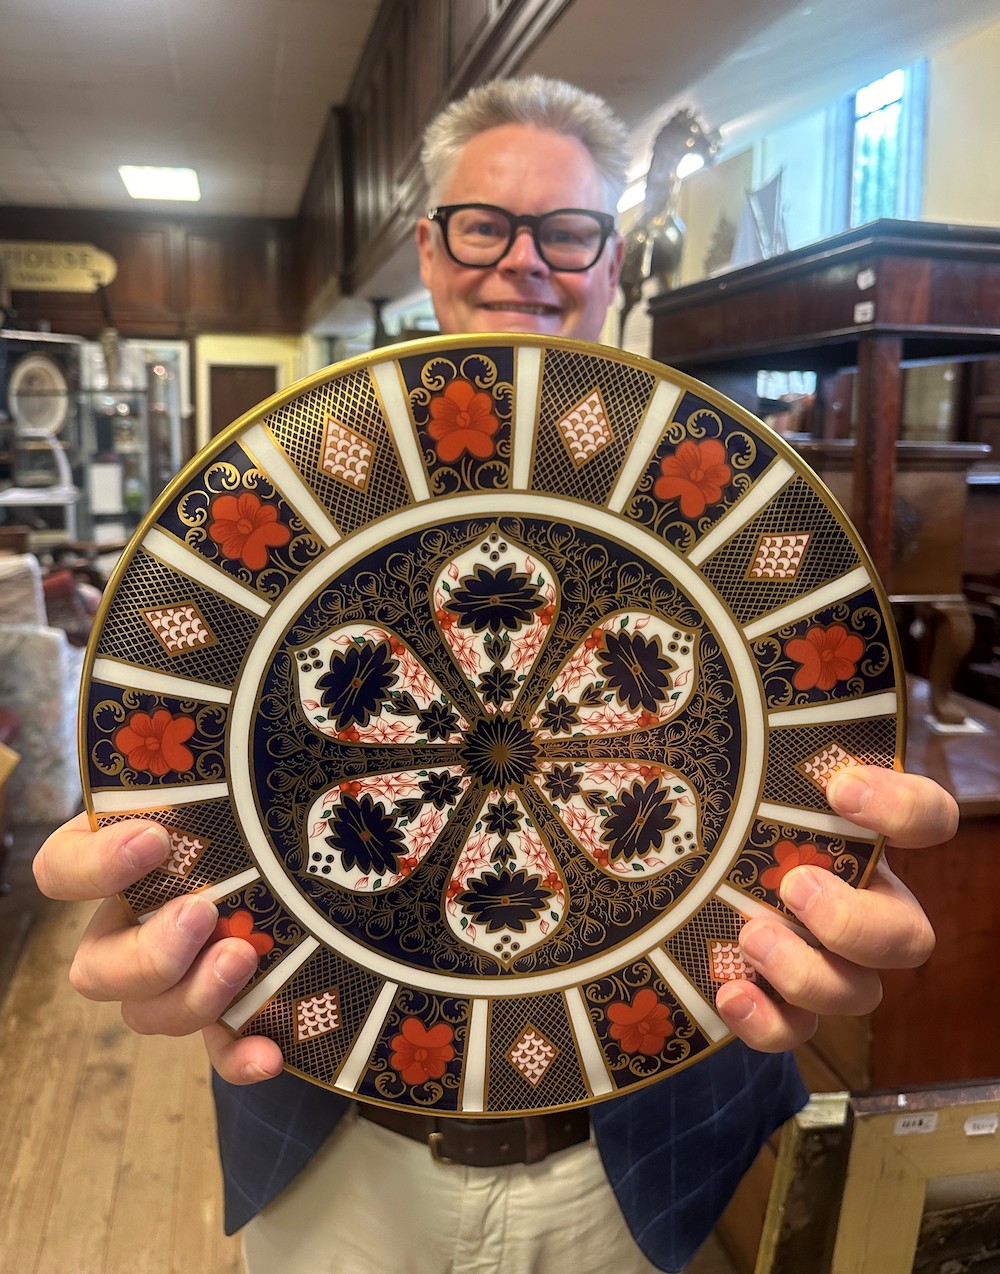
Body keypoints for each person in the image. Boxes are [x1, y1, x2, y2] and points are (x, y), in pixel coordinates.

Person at [34, 76, 957, 1274]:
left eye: (566, 231)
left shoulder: (731, 500)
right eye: (485, 224)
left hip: (651, 1167)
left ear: (611, 259)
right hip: (328, 1141)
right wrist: (151, 880)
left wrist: (853, 871)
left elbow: (813, 780)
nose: (525, 263)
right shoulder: (301, 481)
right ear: (428, 245)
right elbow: (181, 759)